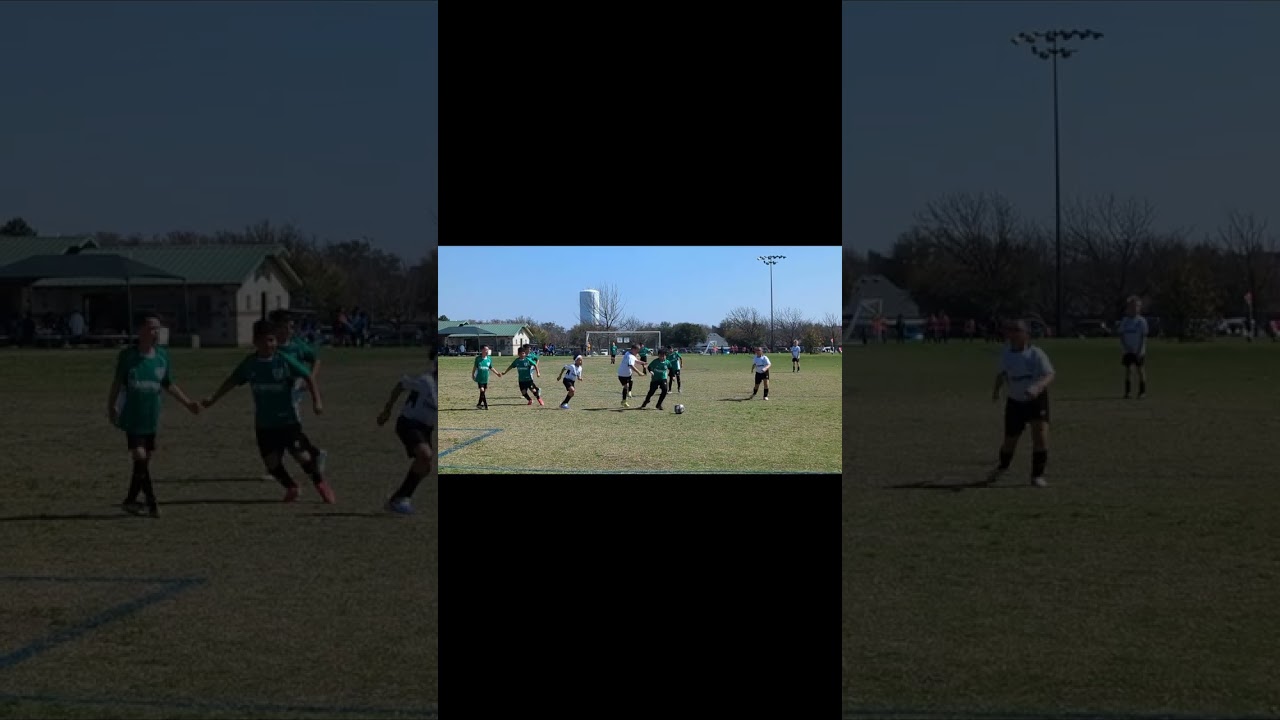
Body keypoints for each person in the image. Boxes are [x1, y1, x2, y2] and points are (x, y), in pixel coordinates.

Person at [201, 319, 335, 503]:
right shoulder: (250, 363)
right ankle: (292, 487)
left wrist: (317, 402)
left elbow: (307, 376)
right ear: (255, 342)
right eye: (265, 340)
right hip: (264, 423)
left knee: (302, 456)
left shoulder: (284, 360)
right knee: (271, 464)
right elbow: (232, 380)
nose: (269, 344)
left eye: (272, 340)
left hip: (287, 421)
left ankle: (321, 484)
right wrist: (213, 398)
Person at [107, 313, 202, 518]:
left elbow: (168, 384)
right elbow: (117, 383)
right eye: (151, 328)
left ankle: (131, 501)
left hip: (151, 416)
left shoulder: (162, 356)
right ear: (140, 330)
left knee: (144, 462)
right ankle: (152, 502)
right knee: (140, 456)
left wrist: (187, 403)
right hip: (132, 416)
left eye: (157, 328)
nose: (155, 332)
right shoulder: (128, 356)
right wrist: (111, 405)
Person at [986, 320, 1055, 488]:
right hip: (1015, 401)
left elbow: (1049, 374)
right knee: (1010, 440)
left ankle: (1037, 475)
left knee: (1040, 435)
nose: (1013, 334)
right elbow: (1001, 374)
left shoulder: (1036, 354)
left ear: (1026, 334)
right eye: (1011, 330)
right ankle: (1003, 466)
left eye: (1017, 330)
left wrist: (1037, 387)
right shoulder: (1006, 354)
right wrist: (996, 391)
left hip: (1036, 400)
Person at [268, 310, 328, 477]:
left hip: (293, 390)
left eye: (291, 326)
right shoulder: (271, 345)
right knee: (282, 428)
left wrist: (310, 380)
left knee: (286, 428)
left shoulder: (297, 344)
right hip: (276, 391)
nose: (290, 330)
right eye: (287, 326)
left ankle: (277, 465)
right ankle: (314, 453)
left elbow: (316, 359)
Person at [375, 352, 436, 515]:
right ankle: (400, 499)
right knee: (425, 455)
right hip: (408, 423)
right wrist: (387, 410)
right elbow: (401, 384)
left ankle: (399, 499)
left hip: (425, 428)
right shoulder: (426, 382)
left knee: (425, 467)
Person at [1119, 296, 1149, 399]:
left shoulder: (1142, 321)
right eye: (1131, 306)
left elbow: (1143, 337)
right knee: (1128, 371)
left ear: (1139, 308)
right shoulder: (1125, 321)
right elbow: (1121, 335)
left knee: (1140, 370)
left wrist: (1139, 350)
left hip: (1138, 351)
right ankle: (1128, 392)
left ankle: (1142, 392)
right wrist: (1126, 348)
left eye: (1136, 306)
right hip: (1127, 350)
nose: (1134, 308)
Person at [616, 343, 647, 407]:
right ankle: (624, 401)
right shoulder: (630, 356)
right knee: (626, 386)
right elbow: (631, 365)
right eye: (637, 350)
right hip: (623, 374)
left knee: (631, 381)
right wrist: (639, 373)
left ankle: (629, 392)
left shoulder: (628, 353)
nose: (638, 352)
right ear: (633, 349)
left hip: (625, 373)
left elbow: (636, 361)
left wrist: (643, 363)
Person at [472, 345, 494, 409]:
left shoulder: (489, 359)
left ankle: (479, 404)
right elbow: (474, 367)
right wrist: (473, 374)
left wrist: (497, 373)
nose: (487, 351)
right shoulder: (478, 358)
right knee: (482, 390)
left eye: (487, 349)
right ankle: (486, 405)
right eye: (485, 349)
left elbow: (491, 367)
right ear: (482, 350)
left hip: (485, 377)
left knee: (483, 392)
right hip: (479, 377)